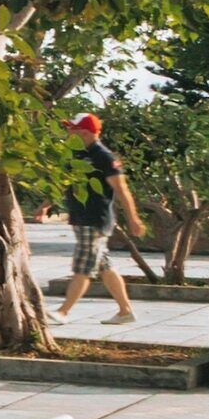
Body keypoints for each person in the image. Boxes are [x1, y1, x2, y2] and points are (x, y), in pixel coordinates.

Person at [62, 110, 145, 324]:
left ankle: (63, 311)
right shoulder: (76, 154)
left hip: (95, 220)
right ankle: (125, 311)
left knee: (83, 266)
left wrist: (133, 219)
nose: (69, 133)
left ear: (86, 133)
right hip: (80, 218)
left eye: (73, 129)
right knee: (104, 266)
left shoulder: (104, 156)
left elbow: (122, 189)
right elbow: (66, 183)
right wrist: (45, 206)